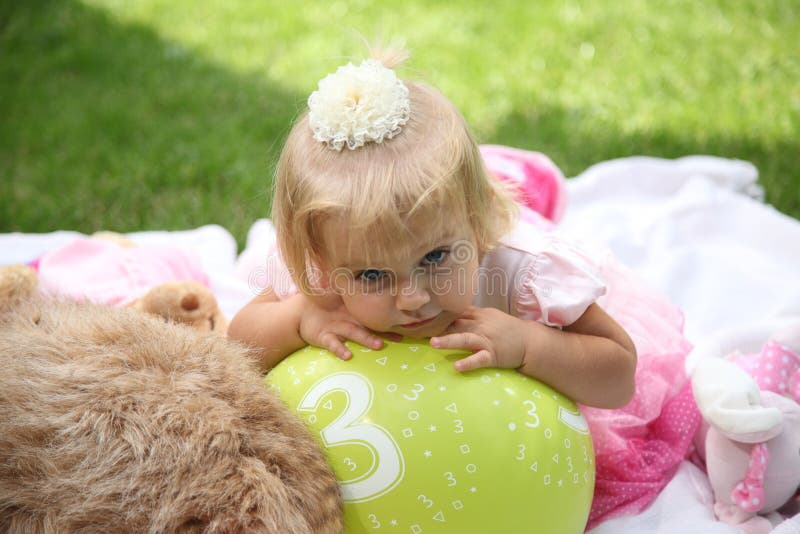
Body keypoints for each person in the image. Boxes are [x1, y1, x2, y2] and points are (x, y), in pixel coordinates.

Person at [229, 48, 699, 527]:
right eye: (372, 276)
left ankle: (525, 181)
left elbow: (619, 376)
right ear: (322, 259)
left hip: (513, 461)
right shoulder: (320, 274)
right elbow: (236, 345)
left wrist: (530, 344)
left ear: (477, 225)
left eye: (434, 258)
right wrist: (298, 318)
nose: (412, 298)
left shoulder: (519, 272)